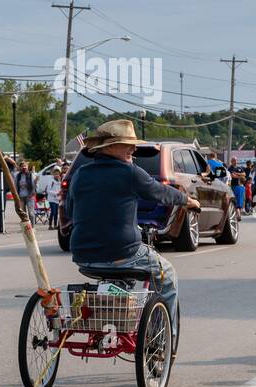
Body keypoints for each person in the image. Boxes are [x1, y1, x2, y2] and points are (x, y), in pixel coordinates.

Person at [63, 119, 201, 350]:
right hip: (121, 253)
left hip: (82, 255)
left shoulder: (79, 174)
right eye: (126, 144)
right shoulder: (129, 172)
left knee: (126, 272)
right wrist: (189, 201)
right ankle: (162, 342)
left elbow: (69, 211)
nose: (133, 149)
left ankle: (112, 318)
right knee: (167, 275)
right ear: (107, 147)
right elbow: (160, 192)